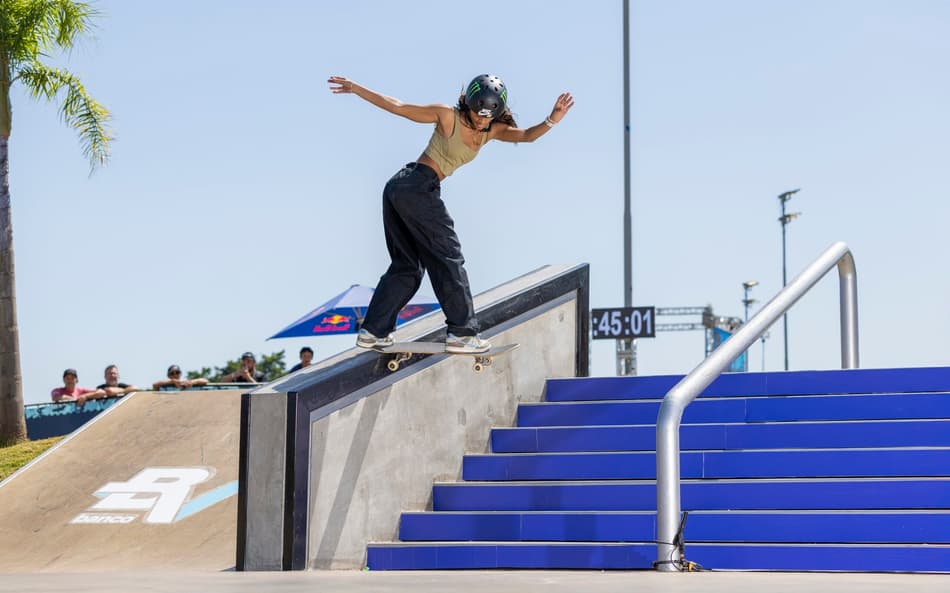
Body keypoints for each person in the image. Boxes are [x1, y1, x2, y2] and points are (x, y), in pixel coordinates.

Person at [328, 74, 573, 353]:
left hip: (405, 190)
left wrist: (552, 119)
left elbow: (528, 136)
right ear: (468, 104)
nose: (481, 121)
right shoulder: (447, 116)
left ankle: (373, 330)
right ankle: (462, 332)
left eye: (487, 117)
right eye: (477, 114)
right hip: (416, 185)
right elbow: (398, 106)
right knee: (449, 257)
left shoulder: (491, 131)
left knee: (408, 267)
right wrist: (356, 88)